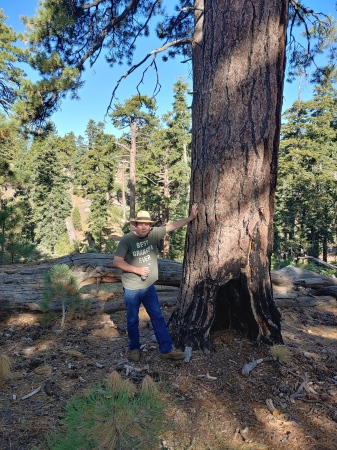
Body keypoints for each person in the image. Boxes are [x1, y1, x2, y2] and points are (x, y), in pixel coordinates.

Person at [113, 204, 198, 362]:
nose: (144, 227)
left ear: (150, 226)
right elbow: (117, 261)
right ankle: (134, 348)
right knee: (132, 319)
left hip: (148, 287)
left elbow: (172, 226)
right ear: (136, 225)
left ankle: (166, 349)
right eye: (141, 224)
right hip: (132, 288)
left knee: (157, 317)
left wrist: (191, 218)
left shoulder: (153, 234)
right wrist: (137, 270)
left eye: (147, 224)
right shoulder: (127, 240)